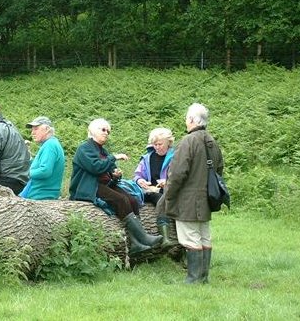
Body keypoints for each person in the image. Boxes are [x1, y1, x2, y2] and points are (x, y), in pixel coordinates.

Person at [69, 118, 162, 255]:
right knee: (120, 200)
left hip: (104, 185)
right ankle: (143, 238)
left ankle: (136, 243)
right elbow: (95, 167)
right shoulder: (84, 148)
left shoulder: (103, 151)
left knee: (131, 200)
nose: (106, 133)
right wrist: (114, 157)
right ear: (92, 130)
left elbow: (109, 169)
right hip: (88, 187)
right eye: (103, 129)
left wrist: (116, 175)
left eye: (108, 131)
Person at [164, 103, 224, 284]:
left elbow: (177, 173)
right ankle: (203, 278)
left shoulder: (188, 141)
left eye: (186, 118)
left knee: (190, 238)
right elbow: (219, 170)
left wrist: (169, 193)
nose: (185, 121)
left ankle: (193, 279)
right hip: (207, 198)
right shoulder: (212, 142)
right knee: (204, 236)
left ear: (191, 119)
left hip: (188, 199)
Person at [133, 127, 176, 246]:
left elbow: (180, 176)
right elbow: (137, 175)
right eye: (155, 144)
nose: (157, 147)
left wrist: (167, 182)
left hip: (168, 190)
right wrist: (140, 181)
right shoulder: (147, 158)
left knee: (161, 199)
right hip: (149, 190)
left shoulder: (176, 157)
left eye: (160, 144)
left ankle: (166, 238)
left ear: (169, 143)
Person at [18, 116, 65, 200]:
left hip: (40, 196)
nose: (32, 133)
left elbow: (44, 171)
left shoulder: (50, 145)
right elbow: (38, 167)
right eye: (32, 129)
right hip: (39, 195)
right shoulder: (49, 144)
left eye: (36, 129)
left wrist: (25, 173)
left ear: (47, 129)